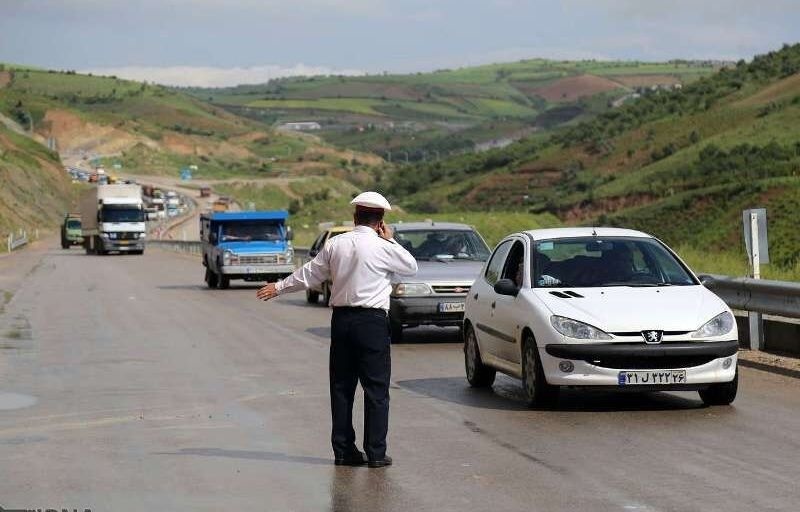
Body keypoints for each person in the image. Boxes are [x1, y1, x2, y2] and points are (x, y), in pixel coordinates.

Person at [256, 191, 417, 468]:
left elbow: (310, 274)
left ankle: (344, 451)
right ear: (381, 221)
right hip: (372, 323)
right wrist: (389, 238)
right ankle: (376, 453)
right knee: (376, 389)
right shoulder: (384, 246)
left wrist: (279, 287)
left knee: (342, 388)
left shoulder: (336, 244)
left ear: (355, 217)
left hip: (342, 322)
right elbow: (411, 267)